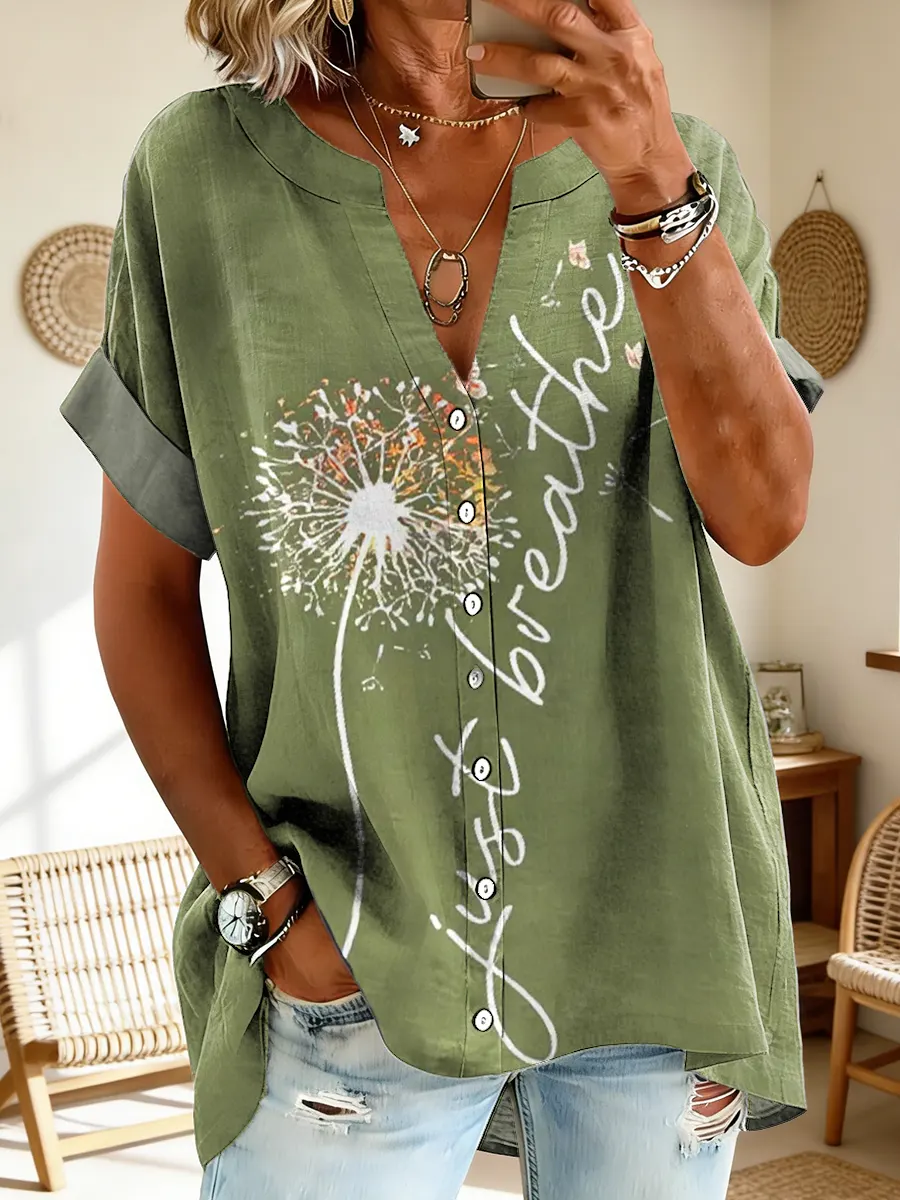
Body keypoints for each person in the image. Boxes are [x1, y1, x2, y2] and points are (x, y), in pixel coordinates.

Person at [59, 0, 825, 1196]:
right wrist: (267, 903)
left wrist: (653, 186)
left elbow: (765, 516)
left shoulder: (686, 167)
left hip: (658, 932)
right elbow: (142, 590)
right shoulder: (201, 173)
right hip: (350, 935)